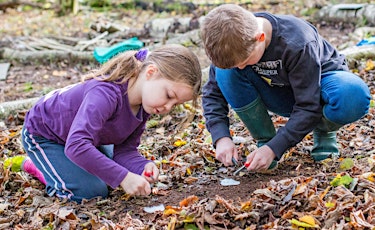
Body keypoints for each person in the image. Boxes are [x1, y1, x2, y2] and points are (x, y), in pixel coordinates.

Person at [12, 44, 202, 202]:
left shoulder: (145, 106)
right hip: (45, 134)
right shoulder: (105, 95)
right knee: (91, 193)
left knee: (111, 169)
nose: (168, 107)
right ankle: (40, 168)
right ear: (151, 73)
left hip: (85, 138)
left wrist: (142, 167)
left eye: (175, 104)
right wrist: (124, 178)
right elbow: (77, 145)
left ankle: (64, 168)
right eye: (169, 96)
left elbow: (125, 151)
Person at [200, 4, 370, 171]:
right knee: (225, 73)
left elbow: (308, 105)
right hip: (281, 93)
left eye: (245, 62)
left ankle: (324, 130)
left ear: (260, 38)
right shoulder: (230, 40)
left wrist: (276, 148)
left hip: (320, 89)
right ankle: (265, 141)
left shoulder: (296, 41)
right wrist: (221, 137)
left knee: (353, 95)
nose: (242, 68)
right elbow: (213, 94)